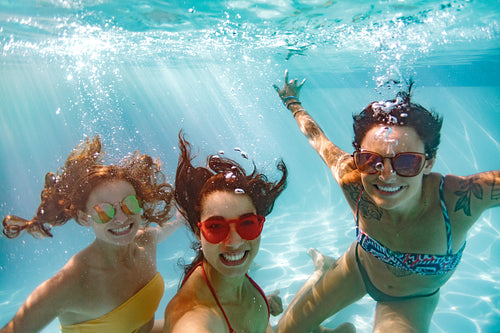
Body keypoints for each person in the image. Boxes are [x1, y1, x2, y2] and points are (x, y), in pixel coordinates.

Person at [272, 70, 500, 333]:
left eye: (406, 161)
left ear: (429, 162)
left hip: (410, 300)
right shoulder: (353, 178)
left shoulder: (458, 198)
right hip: (356, 270)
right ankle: (325, 269)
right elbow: (317, 138)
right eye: (371, 160)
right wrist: (292, 102)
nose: (387, 175)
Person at [1, 136, 183, 333]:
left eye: (129, 204)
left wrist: (183, 218)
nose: (122, 218)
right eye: (104, 211)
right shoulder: (71, 283)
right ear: (85, 218)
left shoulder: (145, 240)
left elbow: (164, 229)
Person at [163, 132, 288, 333]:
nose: (234, 242)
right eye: (215, 227)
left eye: (247, 224)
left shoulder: (230, 274)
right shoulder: (195, 319)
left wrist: (264, 303)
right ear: (198, 232)